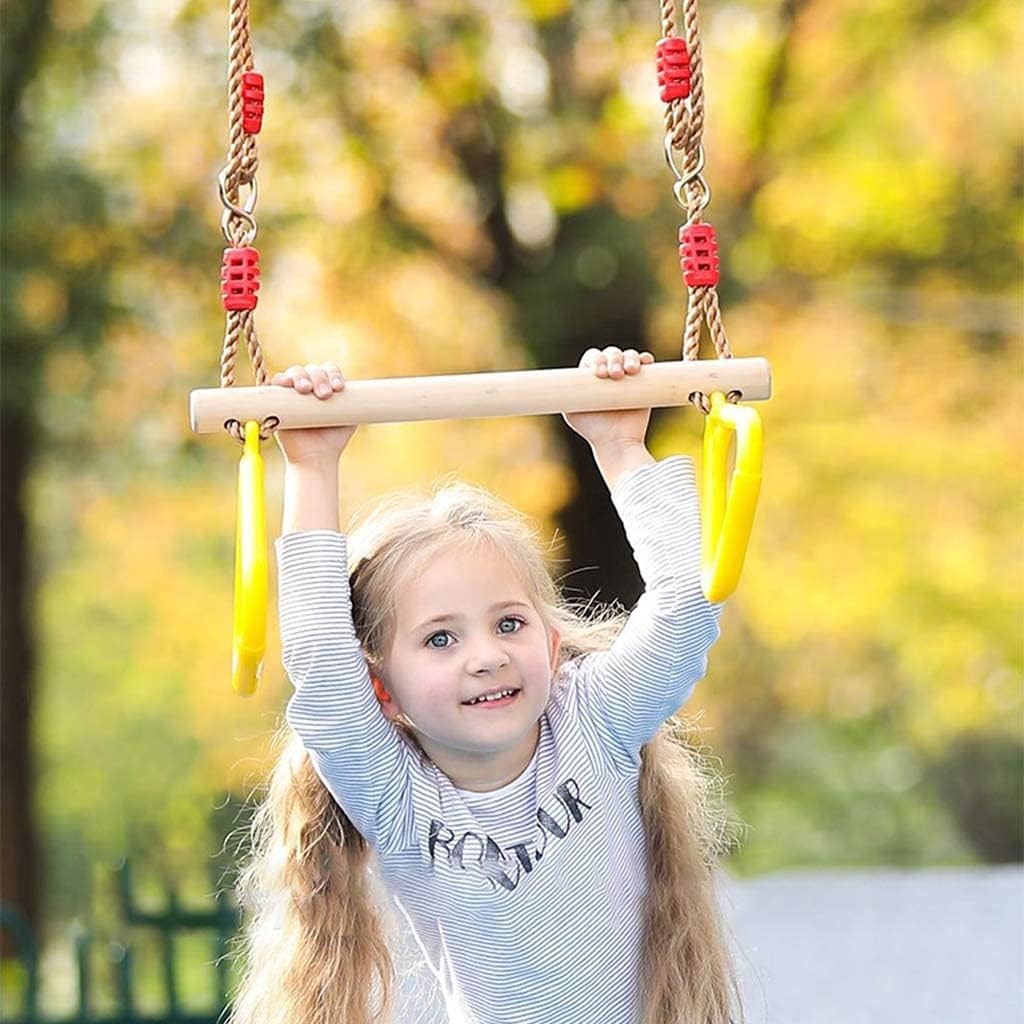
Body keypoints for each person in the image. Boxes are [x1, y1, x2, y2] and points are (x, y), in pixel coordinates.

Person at [228, 347, 745, 1024]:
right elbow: (324, 668)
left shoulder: (593, 721)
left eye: (509, 622)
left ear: (552, 645)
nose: (486, 656)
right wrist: (312, 465)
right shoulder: (396, 795)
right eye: (440, 638)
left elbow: (686, 608)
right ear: (382, 690)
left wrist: (619, 444)